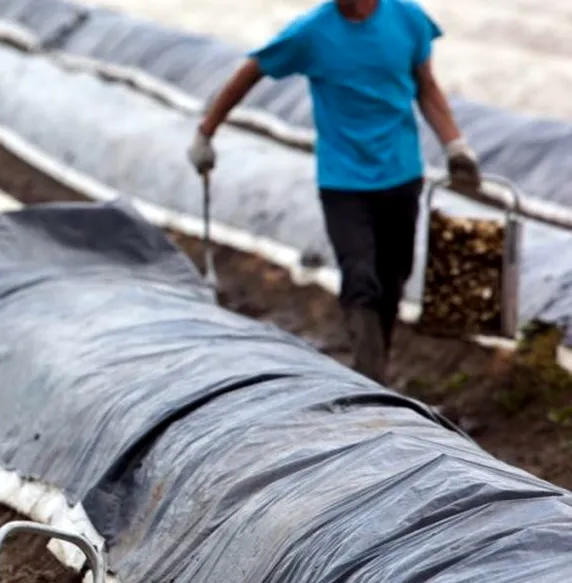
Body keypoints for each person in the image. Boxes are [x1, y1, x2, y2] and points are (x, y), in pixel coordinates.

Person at [187, 0, 481, 383]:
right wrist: (206, 133)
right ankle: (370, 375)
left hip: (401, 173)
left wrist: (454, 145)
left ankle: (378, 369)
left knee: (392, 278)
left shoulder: (407, 19)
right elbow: (251, 70)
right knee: (359, 275)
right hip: (343, 181)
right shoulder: (311, 32)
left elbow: (426, 85)